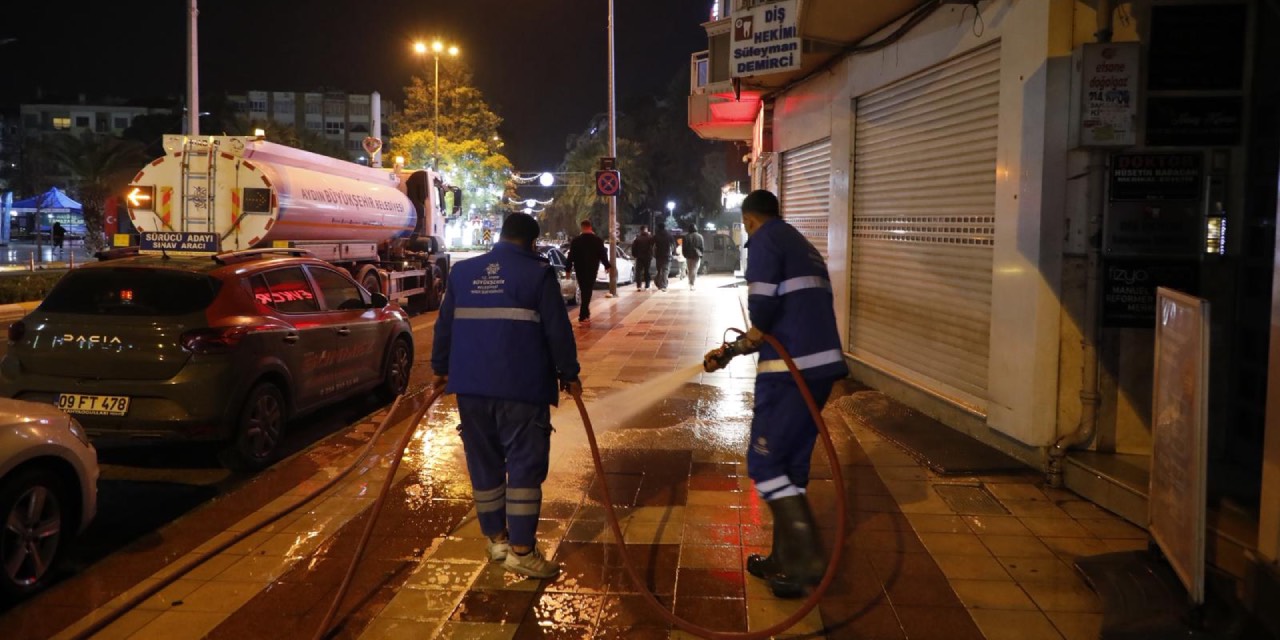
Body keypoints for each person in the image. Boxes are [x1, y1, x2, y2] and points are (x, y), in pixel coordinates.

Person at [703, 189, 848, 598]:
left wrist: (748, 338)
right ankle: (784, 561)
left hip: (789, 371)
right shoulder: (800, 242)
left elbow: (763, 310)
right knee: (792, 465)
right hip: (819, 368)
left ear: (749, 221)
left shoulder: (765, 239)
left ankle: (806, 557)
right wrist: (735, 349)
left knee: (765, 465)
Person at [431, 212, 582, 579]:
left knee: (484, 464)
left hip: (471, 390)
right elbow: (557, 331)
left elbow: (444, 325)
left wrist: (440, 369)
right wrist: (569, 374)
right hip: (522, 389)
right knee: (524, 468)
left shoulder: (464, 273)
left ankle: (497, 540)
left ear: (500, 236)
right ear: (532, 242)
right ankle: (522, 551)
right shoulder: (537, 273)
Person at [565, 219, 610, 323]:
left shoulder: (576, 241)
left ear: (582, 227)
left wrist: (568, 269)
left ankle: (585, 312)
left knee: (583, 289)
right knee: (588, 289)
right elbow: (602, 254)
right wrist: (607, 265)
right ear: (590, 227)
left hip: (579, 268)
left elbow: (570, 256)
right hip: (592, 268)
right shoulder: (597, 240)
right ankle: (583, 313)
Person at [630, 226, 654, 291]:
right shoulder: (650, 237)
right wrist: (652, 255)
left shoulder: (637, 238)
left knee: (638, 271)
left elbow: (633, 247)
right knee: (647, 271)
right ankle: (647, 285)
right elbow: (653, 246)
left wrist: (635, 255)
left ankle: (639, 286)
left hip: (639, 257)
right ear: (646, 230)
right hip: (648, 257)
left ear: (641, 230)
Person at [682, 224, 705, 290]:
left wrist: (685, 254)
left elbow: (684, 247)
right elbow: (702, 247)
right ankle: (692, 283)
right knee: (695, 269)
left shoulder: (686, 237)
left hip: (688, 255)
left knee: (690, 269)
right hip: (697, 255)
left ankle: (690, 282)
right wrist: (701, 254)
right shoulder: (700, 236)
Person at [653, 222, 673, 292]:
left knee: (659, 270)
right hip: (667, 255)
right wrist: (673, 253)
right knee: (665, 270)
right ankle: (664, 286)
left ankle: (658, 283)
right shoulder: (669, 235)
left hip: (658, 255)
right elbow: (673, 244)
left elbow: (652, 245)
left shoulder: (656, 235)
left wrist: (653, 253)